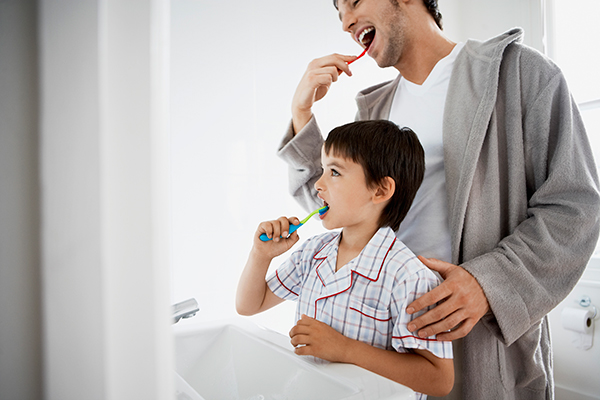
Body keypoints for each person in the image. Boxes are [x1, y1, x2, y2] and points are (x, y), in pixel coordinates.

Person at [275, 0, 600, 399]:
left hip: (480, 345)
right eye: (338, 12)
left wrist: (488, 283)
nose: (345, 22)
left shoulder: (522, 74)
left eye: (354, 2)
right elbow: (335, 210)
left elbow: (574, 207)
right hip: (385, 353)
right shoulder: (371, 112)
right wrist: (301, 112)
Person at [236, 120, 454, 398]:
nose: (318, 184)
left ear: (380, 190)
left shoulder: (409, 277)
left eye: (335, 172)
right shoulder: (314, 252)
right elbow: (248, 305)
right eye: (323, 169)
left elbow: (439, 379)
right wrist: (260, 256)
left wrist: (345, 349)